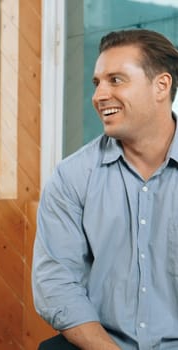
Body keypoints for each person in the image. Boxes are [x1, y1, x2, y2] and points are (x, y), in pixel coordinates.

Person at [32, 29, 178, 349]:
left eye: (116, 80)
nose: (99, 96)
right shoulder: (72, 177)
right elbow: (57, 284)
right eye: (97, 83)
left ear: (161, 86)